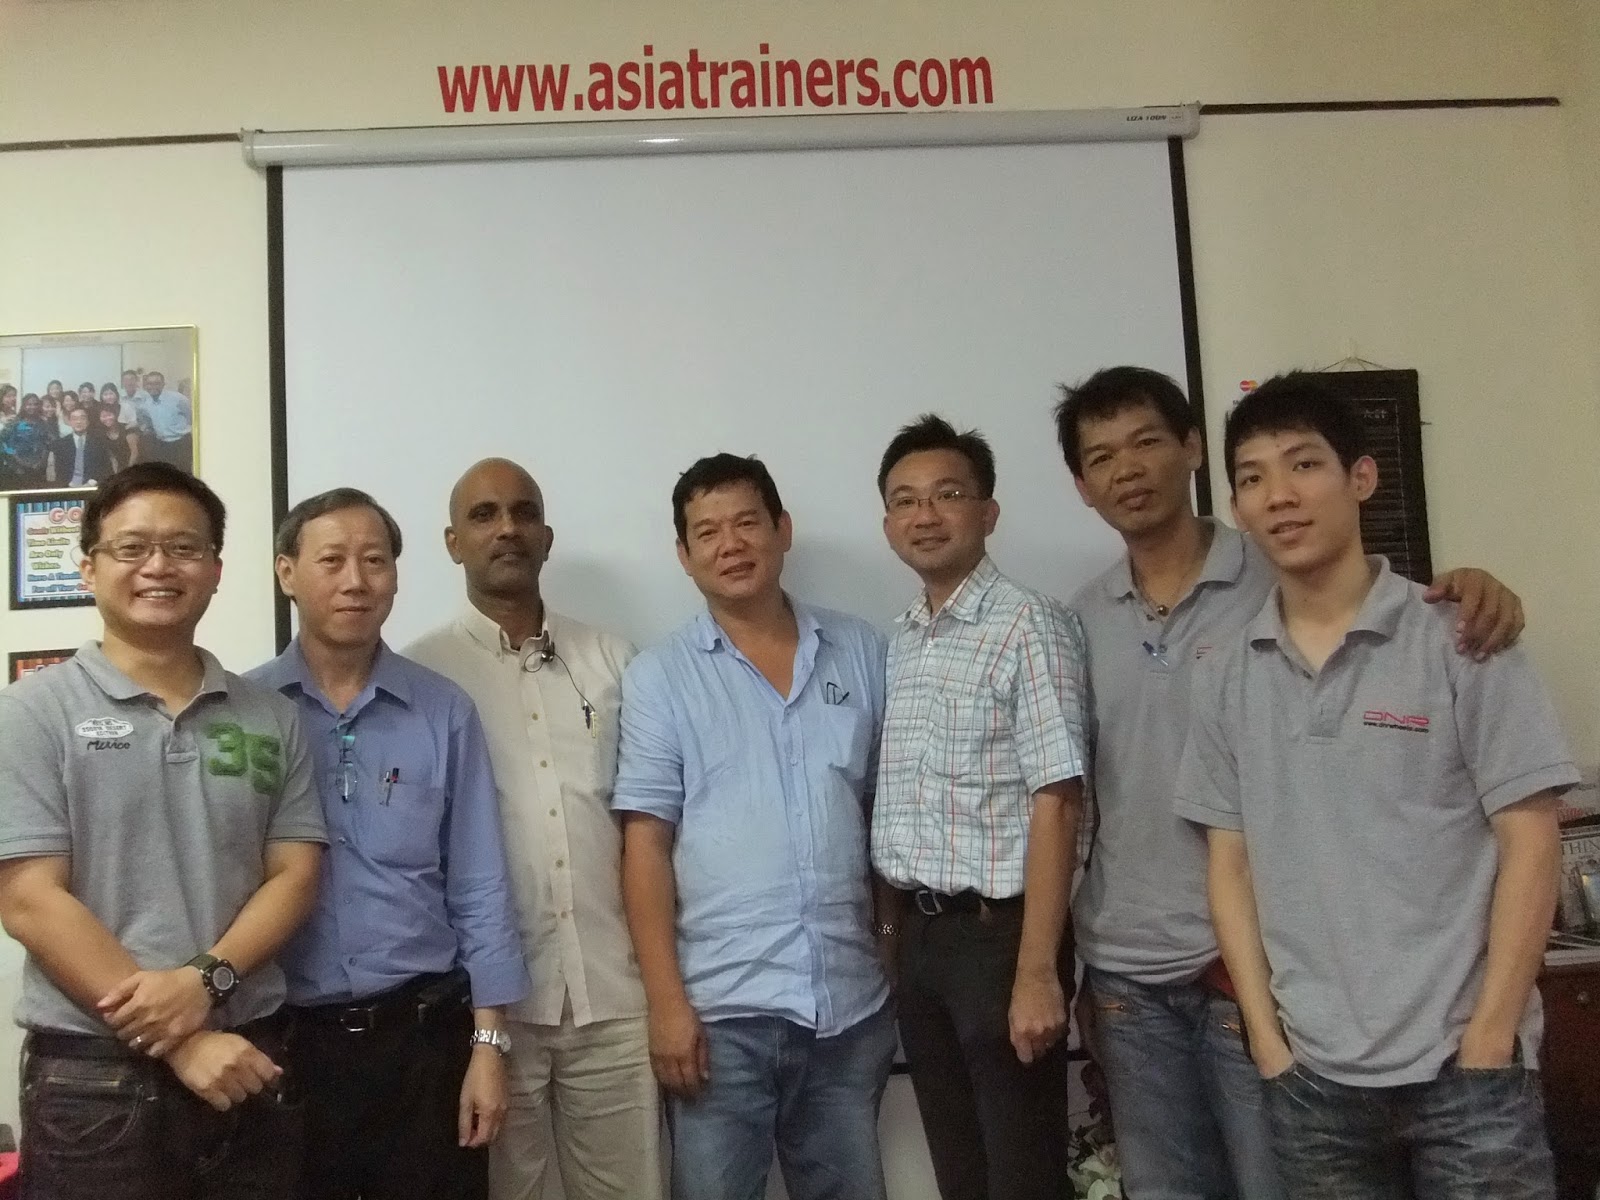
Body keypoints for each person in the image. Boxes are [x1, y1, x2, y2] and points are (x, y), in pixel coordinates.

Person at [1054, 365, 1528, 1200]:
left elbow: (1388, 606)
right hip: (1146, 970)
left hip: (1270, 973)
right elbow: (1074, 799)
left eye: (1146, 442)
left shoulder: (1277, 568)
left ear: (1191, 450)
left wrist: (1480, 588)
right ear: (1082, 486)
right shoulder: (1075, 620)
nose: (1127, 469)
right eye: (1101, 456)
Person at [1175, 372, 1576, 1200]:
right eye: (1252, 478)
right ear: (1236, 507)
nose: (1279, 496)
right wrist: (1269, 1044)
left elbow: (1532, 841)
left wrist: (1491, 1036)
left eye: (1304, 465)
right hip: (1313, 1081)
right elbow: (1230, 866)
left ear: (1361, 477)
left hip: (1469, 1072)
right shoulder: (1224, 675)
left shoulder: (1462, 638)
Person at [0, 461, 328, 1199]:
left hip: (249, 1060)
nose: (159, 566)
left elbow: (296, 874)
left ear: (215, 571)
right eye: (132, 547)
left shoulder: (270, 716)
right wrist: (182, 1038)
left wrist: (205, 982)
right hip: (93, 1082)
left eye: (184, 548)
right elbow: (28, 899)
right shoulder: (30, 713)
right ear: (89, 568)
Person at [613, 453, 896, 1200]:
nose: (730, 544)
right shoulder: (660, 678)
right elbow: (645, 846)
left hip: (849, 1011)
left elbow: (889, 812)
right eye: (707, 532)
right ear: (684, 556)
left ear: (782, 530)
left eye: (746, 523)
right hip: (720, 1017)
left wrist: (891, 938)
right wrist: (666, 1005)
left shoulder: (862, 650)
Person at [247, 487, 529, 1200]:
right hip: (286, 1045)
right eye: (332, 560)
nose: (356, 581)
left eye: (375, 560)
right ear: (286, 572)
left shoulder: (443, 710)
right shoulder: (246, 714)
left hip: (425, 1045)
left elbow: (479, 884)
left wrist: (488, 1047)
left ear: (396, 576)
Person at [406, 458, 664, 1200]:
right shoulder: (420, 679)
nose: (507, 529)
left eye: (523, 513)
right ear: (452, 542)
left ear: (547, 536)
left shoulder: (614, 662)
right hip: (489, 1014)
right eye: (484, 515)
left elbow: (648, 828)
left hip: (614, 996)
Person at [871, 414, 1084, 1200]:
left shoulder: (1029, 623)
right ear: (888, 523)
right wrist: (893, 937)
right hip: (924, 941)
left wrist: (1037, 972)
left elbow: (1059, 798)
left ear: (988, 512)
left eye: (947, 494)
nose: (925, 515)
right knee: (960, 1173)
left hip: (1001, 942)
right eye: (905, 500)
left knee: (1021, 1176)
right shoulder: (903, 639)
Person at [47, 402, 116, 486]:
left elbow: (106, 468)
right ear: (70, 422)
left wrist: (92, 482)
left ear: (88, 421)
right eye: (74, 419)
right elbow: (58, 471)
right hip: (67, 487)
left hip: (93, 486)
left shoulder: (99, 443)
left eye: (82, 418)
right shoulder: (60, 444)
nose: (78, 422)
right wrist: (68, 485)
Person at [136, 370, 194, 470]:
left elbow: (191, 417)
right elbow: (147, 422)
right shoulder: (145, 403)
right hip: (162, 444)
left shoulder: (178, 398)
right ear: (146, 385)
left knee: (183, 473)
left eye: (157, 383)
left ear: (163, 384)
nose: (153, 386)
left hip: (181, 442)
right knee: (166, 474)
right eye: (150, 384)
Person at [1, 393, 51, 488]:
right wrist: (17, 460)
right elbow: (4, 443)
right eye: (29, 404)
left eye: (35, 404)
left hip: (39, 469)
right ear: (23, 406)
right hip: (17, 470)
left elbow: (47, 445)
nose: (32, 407)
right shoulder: (14, 423)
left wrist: (41, 462)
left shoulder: (43, 423)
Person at [99, 384, 138, 468]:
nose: (109, 397)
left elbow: (135, 453)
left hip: (126, 439)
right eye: (105, 394)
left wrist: (125, 429)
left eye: (111, 393)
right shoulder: (100, 410)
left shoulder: (125, 407)